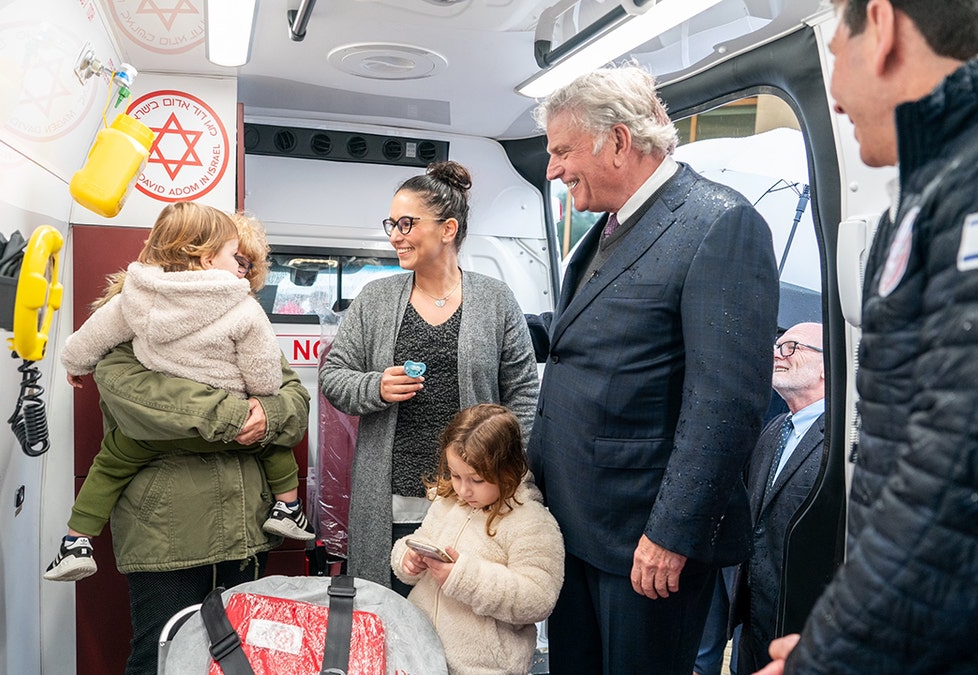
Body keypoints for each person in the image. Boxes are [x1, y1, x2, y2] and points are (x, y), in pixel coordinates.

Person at [757, 1, 978, 673]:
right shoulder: (949, 173)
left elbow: (964, 488)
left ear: (880, 26)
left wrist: (829, 653)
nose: (839, 102)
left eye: (833, 63)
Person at [525, 64, 779, 674]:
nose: (554, 170)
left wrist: (671, 535)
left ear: (617, 140)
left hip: (643, 542)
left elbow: (726, 403)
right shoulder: (602, 232)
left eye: (562, 151)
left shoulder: (718, 222)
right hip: (575, 526)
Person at [44, 204, 312, 583]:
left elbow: (294, 400)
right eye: (236, 259)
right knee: (168, 640)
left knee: (113, 460)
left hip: (246, 529)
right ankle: (289, 509)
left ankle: (76, 540)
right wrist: (251, 414)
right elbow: (268, 386)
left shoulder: (134, 306)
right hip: (170, 534)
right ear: (205, 258)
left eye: (248, 265)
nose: (241, 271)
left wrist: (73, 361)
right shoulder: (244, 313)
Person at [319, 160, 540, 591]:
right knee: (393, 618)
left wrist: (510, 472)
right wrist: (374, 386)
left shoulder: (495, 300)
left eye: (406, 223)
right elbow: (333, 376)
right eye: (391, 223)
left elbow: (525, 393)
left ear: (448, 229)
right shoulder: (376, 300)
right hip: (394, 501)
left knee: (459, 624)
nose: (395, 235)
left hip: (473, 501)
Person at [391, 404, 564, 675]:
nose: (463, 488)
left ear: (508, 469)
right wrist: (407, 557)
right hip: (422, 654)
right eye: (455, 475)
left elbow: (538, 599)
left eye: (477, 480)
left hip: (484, 667)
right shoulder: (449, 502)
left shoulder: (532, 522)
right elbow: (420, 539)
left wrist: (463, 577)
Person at [727, 323, 826, 673]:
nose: (775, 354)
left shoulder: (844, 438)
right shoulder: (774, 429)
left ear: (826, 365)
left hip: (803, 622)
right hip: (753, 619)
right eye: (775, 345)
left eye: (791, 347)